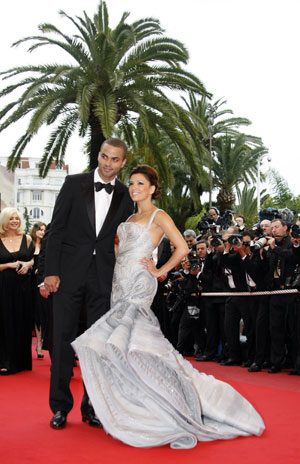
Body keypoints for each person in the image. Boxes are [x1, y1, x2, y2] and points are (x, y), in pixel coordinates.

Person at [72, 165, 265, 449]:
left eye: (140, 183)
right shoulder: (129, 217)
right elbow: (119, 252)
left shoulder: (158, 215)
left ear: (152, 188)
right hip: (119, 282)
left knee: (137, 341)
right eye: (132, 183)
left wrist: (159, 270)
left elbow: (182, 248)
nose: (135, 188)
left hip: (140, 283)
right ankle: (137, 401)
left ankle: (173, 400)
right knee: (125, 345)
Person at [44, 138, 134, 429]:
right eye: (105, 157)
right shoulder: (73, 184)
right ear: (99, 155)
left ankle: (91, 406)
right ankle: (59, 407)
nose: (108, 164)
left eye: (115, 159)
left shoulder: (125, 195)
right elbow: (55, 230)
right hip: (68, 274)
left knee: (97, 345)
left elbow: (126, 241)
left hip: (103, 278)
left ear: (122, 162)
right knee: (62, 340)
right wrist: (50, 271)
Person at [0, 207, 34, 375]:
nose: (15, 221)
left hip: (23, 287)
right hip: (3, 287)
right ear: (4, 221)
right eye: (11, 218)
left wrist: (28, 264)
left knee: (21, 321)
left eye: (17, 218)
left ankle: (21, 361)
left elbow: (35, 258)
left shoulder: (27, 239)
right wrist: (7, 265)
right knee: (5, 323)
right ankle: (5, 361)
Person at [30, 221, 47, 358]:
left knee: (41, 313)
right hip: (27, 282)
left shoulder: (46, 247)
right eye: (40, 229)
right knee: (33, 313)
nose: (42, 232)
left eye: (44, 230)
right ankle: (37, 343)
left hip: (40, 283)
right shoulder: (29, 245)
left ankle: (40, 344)